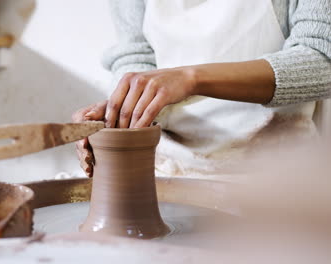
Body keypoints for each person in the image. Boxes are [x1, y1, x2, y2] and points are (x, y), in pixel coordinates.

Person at [73, 0, 331, 178]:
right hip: (163, 166)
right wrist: (118, 112)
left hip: (275, 173)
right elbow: (136, 54)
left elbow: (323, 61)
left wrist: (191, 79)